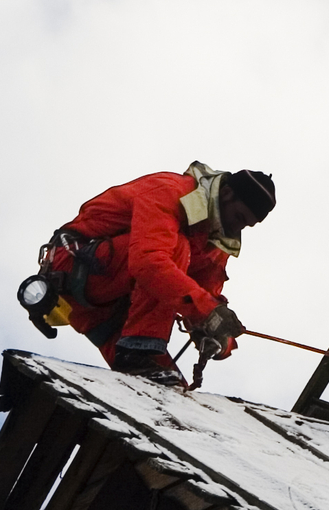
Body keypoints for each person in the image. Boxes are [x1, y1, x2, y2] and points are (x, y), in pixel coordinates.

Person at [20, 162, 275, 385]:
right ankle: (138, 350)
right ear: (227, 193)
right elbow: (149, 263)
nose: (239, 227)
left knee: (171, 393)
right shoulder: (171, 191)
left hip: (109, 311)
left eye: (247, 224)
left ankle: (139, 354)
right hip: (77, 268)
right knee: (174, 249)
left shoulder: (217, 242)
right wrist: (207, 311)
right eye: (240, 216)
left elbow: (206, 297)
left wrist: (219, 338)